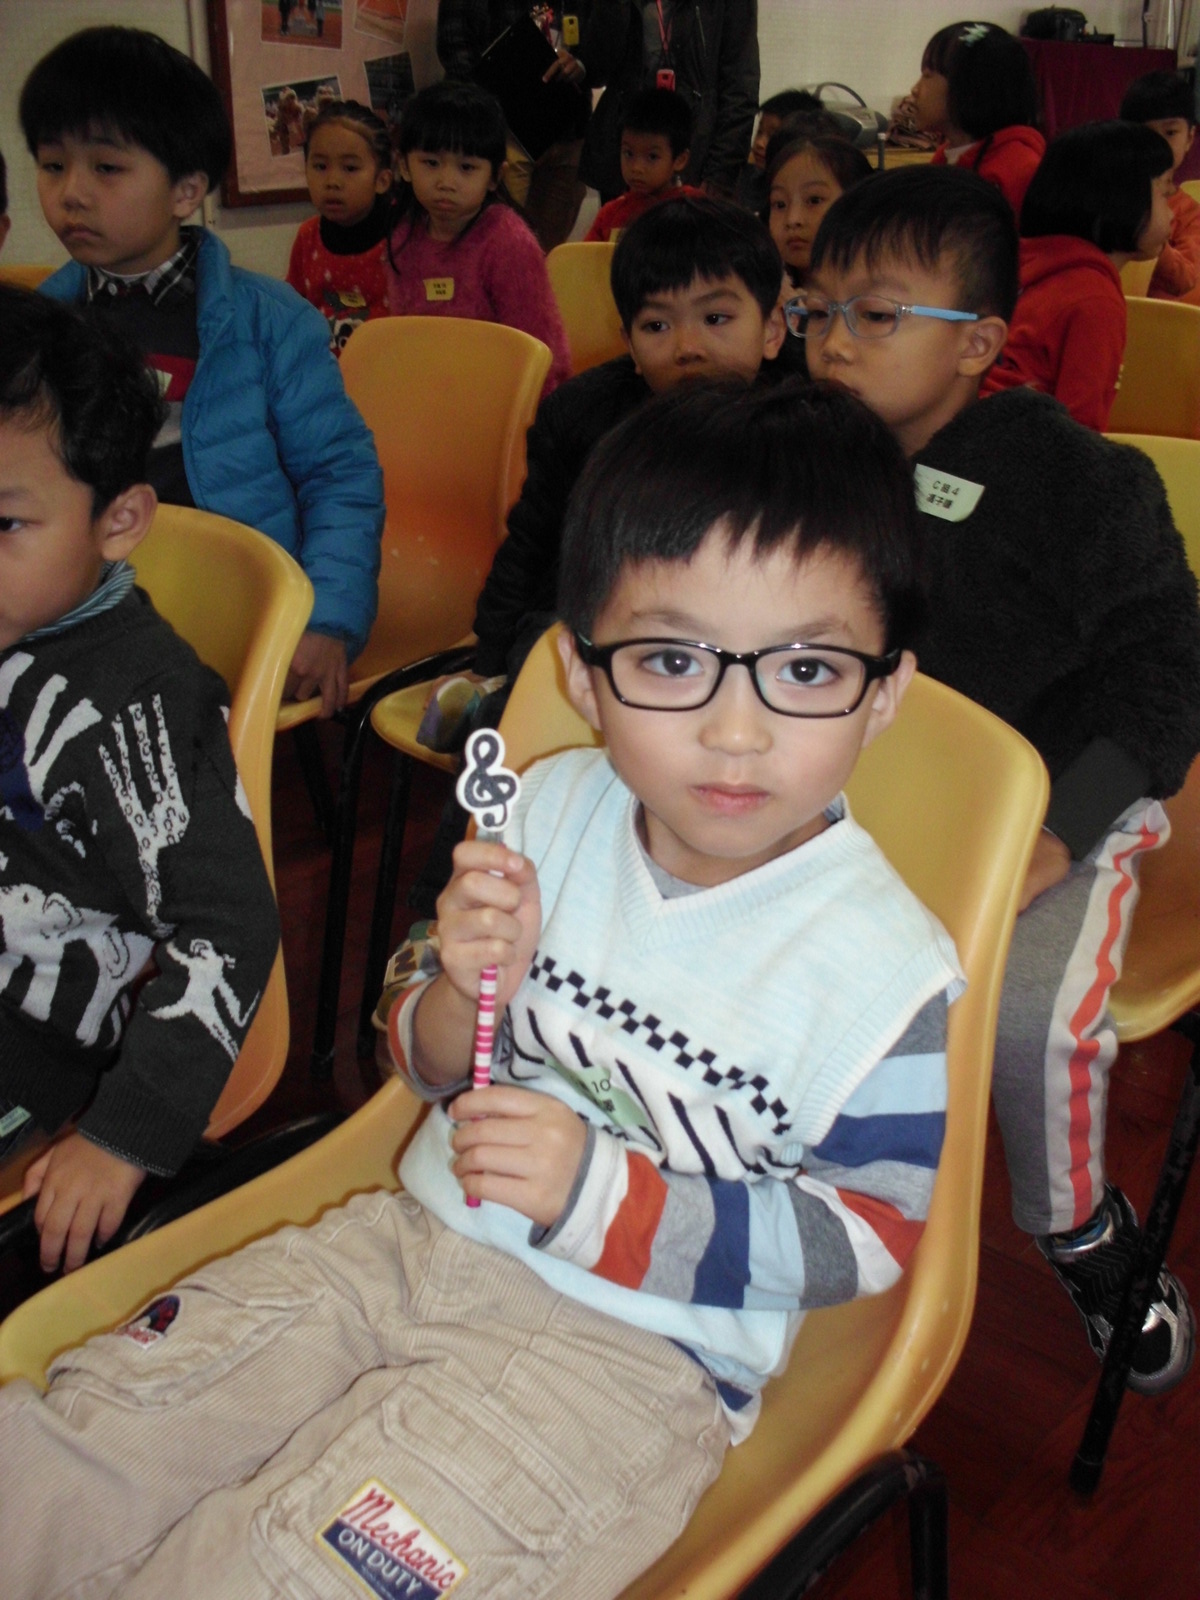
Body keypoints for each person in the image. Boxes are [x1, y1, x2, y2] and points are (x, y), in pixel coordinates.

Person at [0, 375, 964, 1600]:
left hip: (626, 1363)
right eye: (673, 659)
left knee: (275, 1576)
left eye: (809, 670)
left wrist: (601, 1194)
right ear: (584, 673)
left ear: (885, 693)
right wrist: (454, 991)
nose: (738, 730)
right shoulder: (547, 810)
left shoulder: (886, 972)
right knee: (80, 1451)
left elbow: (868, 1234)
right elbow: (419, 1055)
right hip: (401, 1243)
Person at [801, 163, 1200, 1395]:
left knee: (1026, 1018)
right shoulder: (813, 456)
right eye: (817, 309)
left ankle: (1078, 1229)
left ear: (977, 344)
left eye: (877, 314)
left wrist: (1059, 835)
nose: (834, 342)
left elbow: (1164, 677)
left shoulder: (1083, 484)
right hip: (865, 796)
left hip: (1057, 803)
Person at [0, 286, 280, 1278]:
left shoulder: (134, 705)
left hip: (45, 1038)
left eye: (2, 523)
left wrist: (125, 1133)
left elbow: (229, 928)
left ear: (118, 521)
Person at [409, 192, 788, 914]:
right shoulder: (583, 415)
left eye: (716, 319)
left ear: (771, 329)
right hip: (578, 631)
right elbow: (531, 539)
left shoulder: (795, 432)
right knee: (522, 707)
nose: (687, 346)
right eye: (657, 325)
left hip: (721, 653)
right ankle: (445, 911)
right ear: (629, 342)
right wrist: (487, 654)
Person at [21, 27, 384, 720]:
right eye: (52, 165)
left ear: (187, 189)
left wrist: (328, 619)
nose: (71, 194)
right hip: (77, 618)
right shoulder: (39, 330)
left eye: (106, 168)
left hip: (223, 618)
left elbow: (339, 475)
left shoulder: (269, 321)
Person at [981, 120, 1173, 431]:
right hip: (1008, 449)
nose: (1172, 211)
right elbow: (1081, 432)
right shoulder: (1095, 300)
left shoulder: (1017, 262)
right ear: (1122, 200)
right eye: (1165, 193)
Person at [387, 80, 571, 395]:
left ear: (495, 177)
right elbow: (403, 341)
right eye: (431, 163)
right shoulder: (403, 237)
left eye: (467, 167)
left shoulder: (507, 242)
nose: (446, 181)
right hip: (432, 396)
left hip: (506, 399)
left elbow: (542, 354)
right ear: (404, 166)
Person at [437, 0, 592, 251]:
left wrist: (582, 64)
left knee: (548, 252)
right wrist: (497, 104)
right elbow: (454, 46)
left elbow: (601, 47)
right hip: (503, 130)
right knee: (495, 243)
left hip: (567, 129)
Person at [577, 0, 759, 203]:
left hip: (696, 154)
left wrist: (719, 175)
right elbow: (596, 68)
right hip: (627, 148)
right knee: (621, 222)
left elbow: (740, 88)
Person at [286, 99, 394, 354]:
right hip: (322, 370)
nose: (333, 181)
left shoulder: (404, 237)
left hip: (392, 368)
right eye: (320, 166)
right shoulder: (308, 236)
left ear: (382, 180)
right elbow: (291, 312)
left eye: (350, 168)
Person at [911, 20, 1044, 216]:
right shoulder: (945, 155)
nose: (914, 89)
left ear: (969, 87)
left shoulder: (1018, 168)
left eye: (927, 75)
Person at [1120, 69, 1200, 304]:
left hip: (1159, 318)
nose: (1158, 144)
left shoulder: (1189, 213)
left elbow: (1186, 277)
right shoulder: (1112, 192)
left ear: (1190, 138)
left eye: (1170, 132)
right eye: (1146, 133)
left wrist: (1153, 242)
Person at [584, 86, 701, 240]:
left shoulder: (696, 207)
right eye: (629, 153)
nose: (637, 168)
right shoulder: (610, 214)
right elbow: (586, 255)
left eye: (652, 157)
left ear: (680, 160)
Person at [765, 132, 872, 288]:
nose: (793, 220)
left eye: (814, 200)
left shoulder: (884, 294)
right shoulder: (759, 291)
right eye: (780, 204)